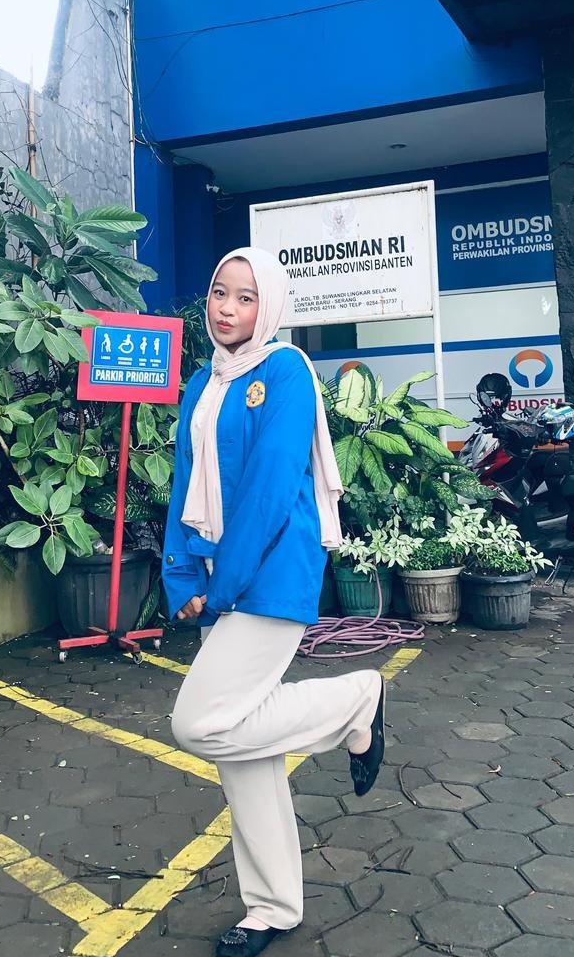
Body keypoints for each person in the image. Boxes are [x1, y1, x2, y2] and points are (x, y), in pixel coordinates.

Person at [162, 248, 385, 957]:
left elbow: (270, 484)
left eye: (246, 297)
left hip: (271, 574)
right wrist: (183, 581)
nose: (227, 308)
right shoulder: (203, 381)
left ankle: (357, 697)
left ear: (271, 308)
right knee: (245, 756)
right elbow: (184, 483)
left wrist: (224, 586)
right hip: (217, 576)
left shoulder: (286, 371)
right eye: (218, 292)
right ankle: (272, 907)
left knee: (199, 723)